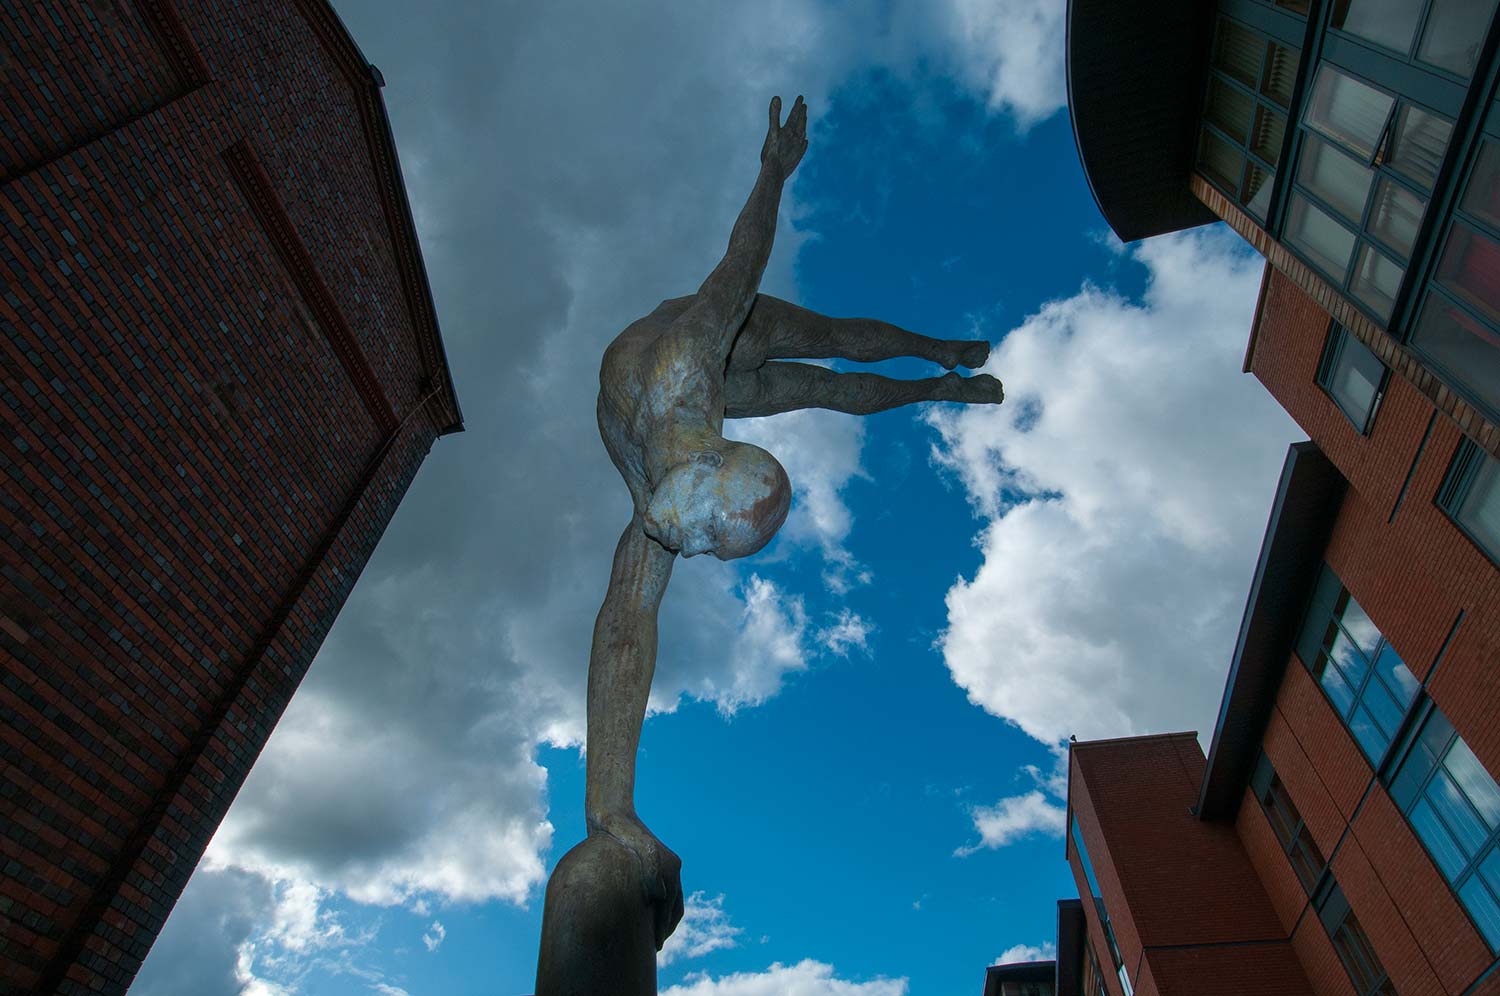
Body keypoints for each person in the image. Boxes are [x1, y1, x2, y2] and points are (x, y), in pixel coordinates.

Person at [583, 95, 1003, 953]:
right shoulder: (687, 360)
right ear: (701, 472)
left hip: (719, 393)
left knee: (834, 372)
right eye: (705, 533)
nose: (686, 550)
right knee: (829, 351)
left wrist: (612, 812)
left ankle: (936, 374)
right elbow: (744, 254)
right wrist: (775, 166)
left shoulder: (669, 499)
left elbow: (627, 632)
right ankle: (937, 360)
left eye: (705, 543)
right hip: (715, 346)